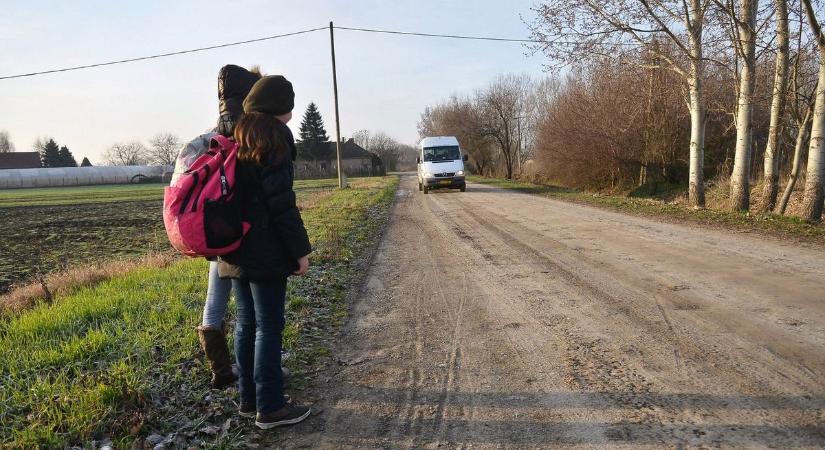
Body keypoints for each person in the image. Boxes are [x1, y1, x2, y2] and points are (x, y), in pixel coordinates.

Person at [218, 74, 313, 429]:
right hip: (264, 249)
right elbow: (281, 204)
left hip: (232, 247)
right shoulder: (273, 138)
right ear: (281, 107)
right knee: (269, 327)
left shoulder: (235, 133)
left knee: (246, 324)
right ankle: (271, 406)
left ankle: (248, 399)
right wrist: (300, 251)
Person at [186, 64, 263, 390]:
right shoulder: (247, 135)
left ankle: (221, 371)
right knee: (254, 307)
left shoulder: (211, 136)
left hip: (212, 226)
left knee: (215, 298)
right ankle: (258, 371)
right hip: (239, 228)